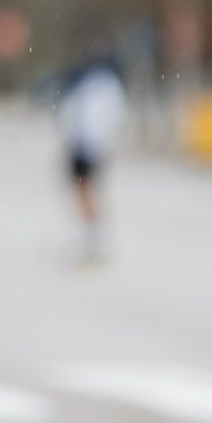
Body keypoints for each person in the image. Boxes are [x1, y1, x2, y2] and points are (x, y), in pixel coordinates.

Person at [57, 49, 125, 264]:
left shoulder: (97, 86)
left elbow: (96, 118)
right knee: (86, 190)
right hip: (86, 144)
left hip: (87, 145)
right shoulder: (99, 85)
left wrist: (92, 143)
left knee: (85, 190)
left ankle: (94, 238)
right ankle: (92, 236)